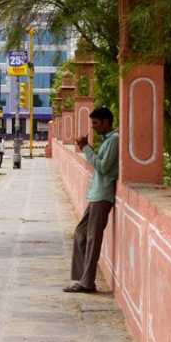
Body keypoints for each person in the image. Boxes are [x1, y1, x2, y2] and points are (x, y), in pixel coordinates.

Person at [65, 107, 119, 294]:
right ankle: (82, 278)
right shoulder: (107, 141)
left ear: (106, 122)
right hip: (96, 194)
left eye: (96, 123)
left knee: (92, 239)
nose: (94, 127)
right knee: (81, 233)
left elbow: (103, 167)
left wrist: (86, 148)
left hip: (103, 195)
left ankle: (87, 282)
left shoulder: (114, 141)